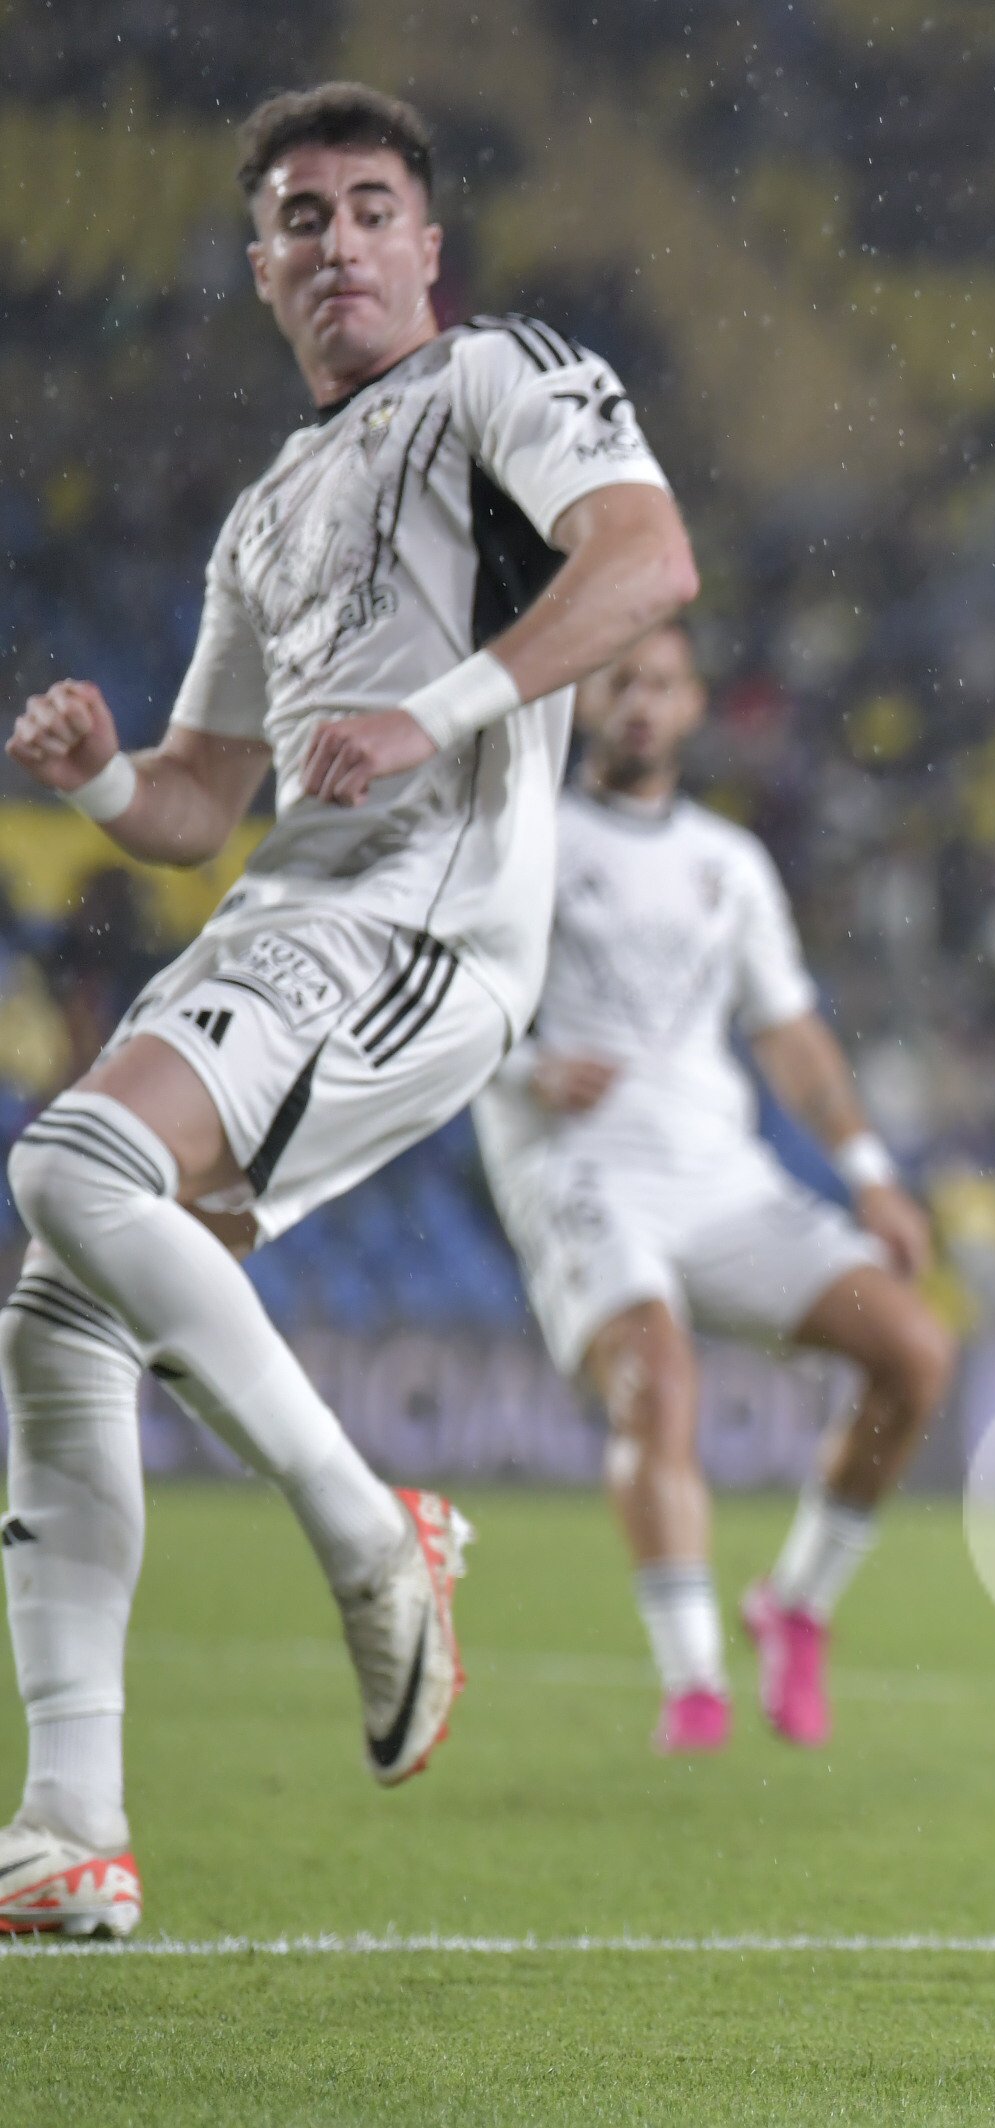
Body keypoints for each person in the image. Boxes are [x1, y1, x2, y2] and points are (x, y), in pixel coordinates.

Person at [0, 83, 696, 1939]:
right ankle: (71, 1832)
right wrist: (97, 777)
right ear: (261, 267)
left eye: (371, 208)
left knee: (68, 1164)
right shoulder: (263, 518)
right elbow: (199, 803)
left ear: (426, 244)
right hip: (292, 916)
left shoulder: (498, 379)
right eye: (299, 218)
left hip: (420, 922)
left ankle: (375, 1529)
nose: (337, 243)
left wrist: (436, 712)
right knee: (56, 1315)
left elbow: (648, 560)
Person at [471, 622, 955, 1754]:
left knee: (915, 1352)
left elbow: (787, 1031)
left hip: (718, 1173)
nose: (641, 702)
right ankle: (693, 1683)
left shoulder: (729, 863)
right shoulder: (520, 840)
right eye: (619, 683)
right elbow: (437, 991)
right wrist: (526, 1067)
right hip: (580, 1165)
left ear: (694, 707)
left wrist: (871, 1174)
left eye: (663, 684)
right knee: (658, 1379)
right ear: (583, 702)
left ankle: (795, 1605)